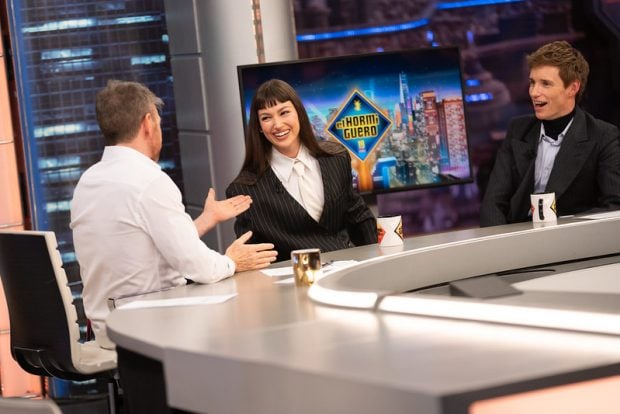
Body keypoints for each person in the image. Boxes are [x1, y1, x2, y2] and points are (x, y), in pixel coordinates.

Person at [71, 80, 277, 348]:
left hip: (107, 329)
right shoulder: (149, 182)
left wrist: (206, 220)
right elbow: (198, 267)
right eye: (158, 121)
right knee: (256, 317)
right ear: (148, 123)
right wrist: (233, 261)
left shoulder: (88, 181)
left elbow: (145, 245)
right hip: (153, 329)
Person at [226, 79, 377, 261]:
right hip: (292, 283)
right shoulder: (245, 189)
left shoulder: (336, 158)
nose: (278, 124)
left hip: (346, 271)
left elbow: (358, 215)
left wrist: (379, 259)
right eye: (266, 117)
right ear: (258, 126)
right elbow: (251, 255)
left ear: (299, 113)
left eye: (284, 113)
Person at [480, 41, 620, 226]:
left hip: (571, 242)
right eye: (532, 83)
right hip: (516, 239)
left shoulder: (603, 136)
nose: (534, 92)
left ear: (572, 88)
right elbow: (493, 203)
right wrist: (499, 246)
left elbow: (614, 207)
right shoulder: (518, 129)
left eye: (545, 84)